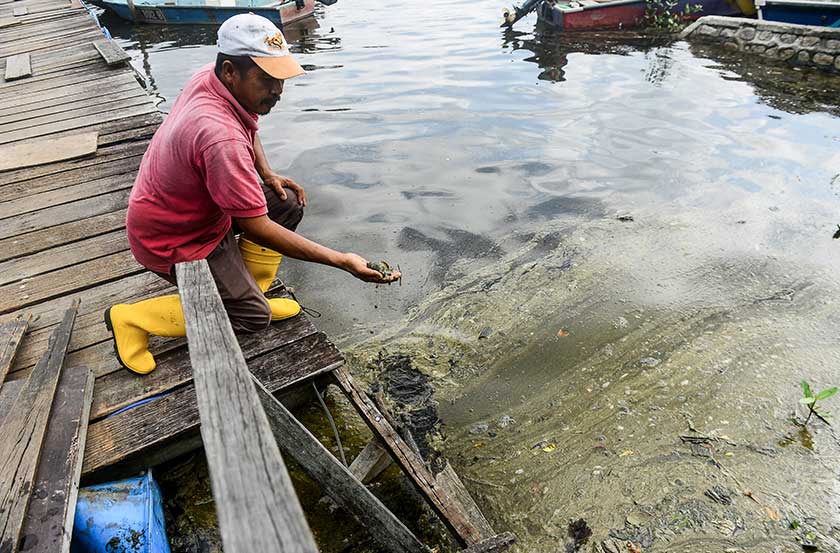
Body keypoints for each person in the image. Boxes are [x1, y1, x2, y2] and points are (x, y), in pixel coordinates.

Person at [105, 13, 399, 375]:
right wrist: (342, 261)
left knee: (286, 203)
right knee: (252, 318)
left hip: (197, 211)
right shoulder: (218, 136)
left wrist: (267, 172)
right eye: (267, 79)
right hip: (175, 238)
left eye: (280, 78)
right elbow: (256, 225)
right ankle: (135, 319)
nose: (278, 90)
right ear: (231, 71)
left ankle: (248, 290)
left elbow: (247, 121)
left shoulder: (212, 78)